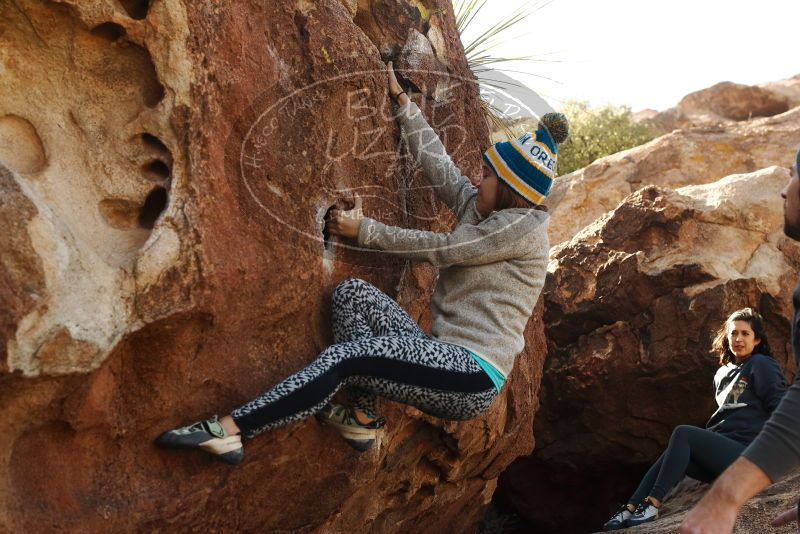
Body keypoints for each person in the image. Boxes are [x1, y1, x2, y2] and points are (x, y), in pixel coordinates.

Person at [153, 62, 570, 464]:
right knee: (352, 295)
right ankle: (361, 416)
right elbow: (443, 171)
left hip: (472, 375)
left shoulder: (520, 231)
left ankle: (232, 430)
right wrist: (405, 106)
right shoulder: (487, 212)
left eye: (489, 176)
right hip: (442, 355)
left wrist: (364, 231)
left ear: (512, 190)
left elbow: (445, 250)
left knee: (344, 358)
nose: (478, 180)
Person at [679, 152, 800, 534]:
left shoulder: (762, 367)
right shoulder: (724, 373)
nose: (783, 190)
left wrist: (724, 499)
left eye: (794, 175)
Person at [603, 308, 787, 530]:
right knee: (674, 453)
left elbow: (779, 406)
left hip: (748, 456)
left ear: (756, 339)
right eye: (733, 333)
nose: (738, 339)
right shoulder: (722, 373)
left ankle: (652, 504)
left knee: (684, 433)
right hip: (724, 458)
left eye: (745, 334)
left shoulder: (762, 364)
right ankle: (630, 508)